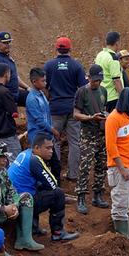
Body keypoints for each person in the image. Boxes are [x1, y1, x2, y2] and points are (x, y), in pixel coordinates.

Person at [8, 133, 80, 247]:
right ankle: (58, 233)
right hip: (22, 202)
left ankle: (34, 228)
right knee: (58, 194)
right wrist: (63, 198)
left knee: (37, 188)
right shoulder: (35, 160)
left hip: (14, 199)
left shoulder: (24, 153)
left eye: (52, 147)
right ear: (37, 148)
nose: (51, 151)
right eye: (48, 148)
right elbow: (52, 184)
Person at [44, 37, 86, 183]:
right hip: (72, 108)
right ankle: (73, 174)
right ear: (70, 49)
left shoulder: (49, 66)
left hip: (55, 108)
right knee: (74, 142)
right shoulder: (76, 66)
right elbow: (82, 88)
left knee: (53, 141)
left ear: (56, 49)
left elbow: (45, 87)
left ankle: (54, 174)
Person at [72, 64, 110, 214]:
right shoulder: (82, 92)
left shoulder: (104, 91)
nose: (97, 83)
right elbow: (76, 114)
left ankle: (98, 194)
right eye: (94, 80)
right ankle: (81, 196)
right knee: (85, 166)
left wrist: (104, 116)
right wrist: (90, 117)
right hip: (88, 134)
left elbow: (104, 108)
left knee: (101, 165)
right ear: (89, 78)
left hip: (101, 133)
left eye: (99, 80)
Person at [105, 87, 129, 242]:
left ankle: (126, 235)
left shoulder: (127, 118)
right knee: (120, 201)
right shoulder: (114, 118)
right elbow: (111, 146)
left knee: (127, 200)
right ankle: (123, 237)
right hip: (121, 168)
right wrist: (122, 168)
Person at [24, 67, 56, 178]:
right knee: (42, 168)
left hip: (46, 136)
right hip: (37, 138)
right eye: (43, 81)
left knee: (54, 166)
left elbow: (47, 115)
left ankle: (54, 190)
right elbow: (39, 120)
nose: (45, 83)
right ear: (34, 81)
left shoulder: (41, 94)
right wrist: (53, 130)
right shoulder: (32, 98)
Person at [0, 32, 28, 107]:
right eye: (5, 43)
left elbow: (15, 76)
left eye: (9, 42)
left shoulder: (7, 58)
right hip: (7, 96)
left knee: (33, 97)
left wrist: (27, 88)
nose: (8, 45)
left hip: (15, 93)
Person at [93, 31, 123, 110]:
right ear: (117, 43)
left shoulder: (100, 55)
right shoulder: (113, 58)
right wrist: (123, 97)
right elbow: (116, 80)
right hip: (112, 98)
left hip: (100, 96)